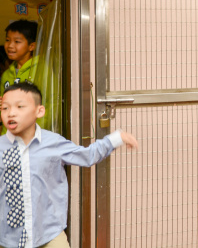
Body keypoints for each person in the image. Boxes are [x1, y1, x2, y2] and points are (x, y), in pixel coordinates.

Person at [0, 82, 138, 248]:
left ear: (39, 111)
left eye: (20, 106)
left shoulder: (53, 142)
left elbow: (87, 156)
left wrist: (116, 138)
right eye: (5, 108)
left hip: (49, 234)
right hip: (9, 239)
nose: (11, 113)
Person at [1, 20, 39, 95]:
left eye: (17, 41)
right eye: (7, 40)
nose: (10, 45)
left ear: (31, 46)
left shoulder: (41, 71)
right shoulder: (6, 74)